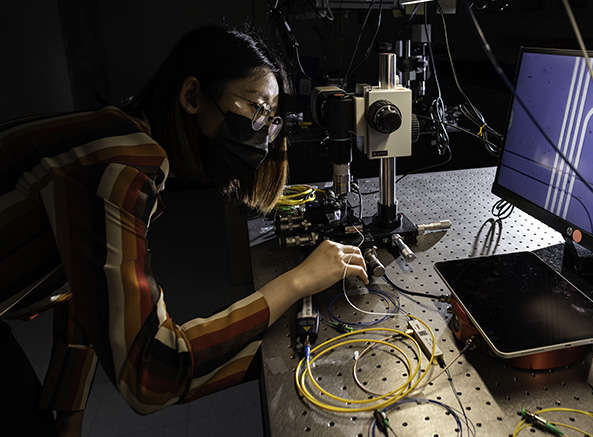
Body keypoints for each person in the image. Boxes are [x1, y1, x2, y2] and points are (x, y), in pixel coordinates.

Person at [0, 24, 368, 436]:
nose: (264, 132)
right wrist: (297, 282)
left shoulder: (116, 137)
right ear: (192, 96)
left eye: (271, 118)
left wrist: (69, 416)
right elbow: (153, 373)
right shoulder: (121, 163)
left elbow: (86, 284)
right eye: (256, 108)